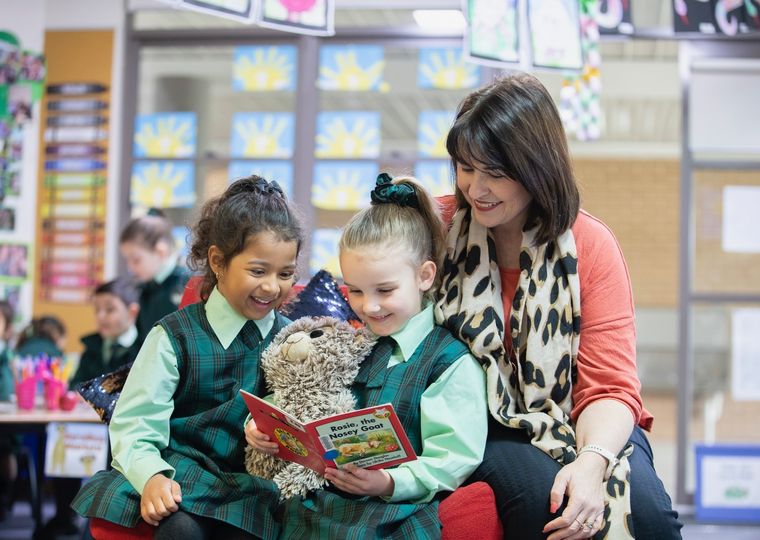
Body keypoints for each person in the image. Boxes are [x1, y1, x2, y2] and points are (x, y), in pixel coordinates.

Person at [434, 72, 682, 540]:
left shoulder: (589, 243)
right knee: (548, 507)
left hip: (582, 417)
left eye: (496, 172)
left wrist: (592, 463)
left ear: (537, 167)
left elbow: (609, 385)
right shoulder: (438, 227)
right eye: (466, 168)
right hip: (490, 421)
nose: (476, 188)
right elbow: (372, 275)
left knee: (649, 519)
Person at [246, 173, 488, 539]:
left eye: (385, 290)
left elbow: (452, 459)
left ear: (424, 276)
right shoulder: (347, 341)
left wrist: (387, 481)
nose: (369, 306)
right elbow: (297, 395)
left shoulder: (449, 361)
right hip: (318, 503)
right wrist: (263, 428)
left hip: (392, 512)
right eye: (355, 291)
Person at [71, 176, 304, 540]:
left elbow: (295, 406)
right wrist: (152, 476)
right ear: (217, 261)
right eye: (258, 271)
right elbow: (135, 423)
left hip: (251, 488)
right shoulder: (173, 336)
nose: (273, 286)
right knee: (180, 531)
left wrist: (275, 428)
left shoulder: (291, 340)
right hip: (180, 473)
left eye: (285, 274)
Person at [39, 277, 143, 539]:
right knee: (60, 438)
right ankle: (64, 516)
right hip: (87, 427)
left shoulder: (145, 348)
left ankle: (97, 517)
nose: (101, 316)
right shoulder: (92, 347)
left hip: (121, 430)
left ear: (132, 311)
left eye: (109, 309)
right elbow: (78, 385)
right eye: (97, 310)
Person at [119, 209, 190, 340]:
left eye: (136, 260)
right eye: (127, 260)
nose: (130, 268)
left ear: (160, 252)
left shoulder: (189, 284)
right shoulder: (144, 290)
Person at [0, 300, 16, 521]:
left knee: (5, 448)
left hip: (6, 426)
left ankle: (3, 499)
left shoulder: (8, 356)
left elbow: (8, 390)